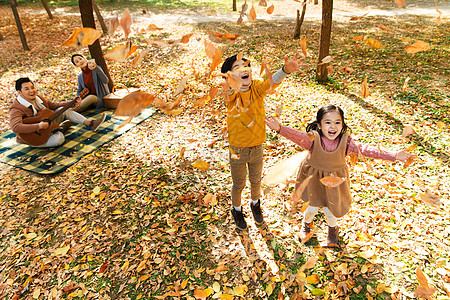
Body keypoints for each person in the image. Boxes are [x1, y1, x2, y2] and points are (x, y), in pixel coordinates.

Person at [265, 104, 415, 246]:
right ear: (319, 125)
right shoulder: (313, 138)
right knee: (311, 207)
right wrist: (279, 128)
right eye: (328, 122)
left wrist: (394, 155)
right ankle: (306, 224)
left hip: (334, 182)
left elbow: (367, 150)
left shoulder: (346, 143)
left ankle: (332, 229)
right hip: (314, 180)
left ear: (342, 125)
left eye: (337, 122)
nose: (333, 126)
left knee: (331, 209)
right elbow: (297, 136)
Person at [221, 53, 307, 230]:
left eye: (246, 66)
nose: (244, 69)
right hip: (237, 150)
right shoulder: (231, 94)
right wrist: (230, 82)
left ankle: (255, 204)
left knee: (255, 181)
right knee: (239, 183)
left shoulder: (257, 88)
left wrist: (284, 70)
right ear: (229, 76)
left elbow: (270, 82)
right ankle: (236, 209)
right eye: (237, 68)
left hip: (257, 147)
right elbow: (229, 92)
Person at [10, 77, 106, 148]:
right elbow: (15, 127)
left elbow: (54, 105)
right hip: (34, 138)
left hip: (47, 126)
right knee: (59, 139)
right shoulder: (17, 107)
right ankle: (60, 128)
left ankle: (91, 123)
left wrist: (71, 103)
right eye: (26, 89)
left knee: (63, 110)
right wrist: (39, 126)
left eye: (32, 87)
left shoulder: (38, 98)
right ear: (19, 92)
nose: (31, 91)